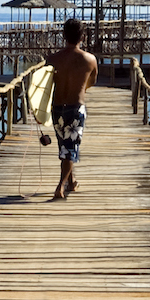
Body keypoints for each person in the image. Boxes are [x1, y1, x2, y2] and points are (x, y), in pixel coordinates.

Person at [45, 17, 98, 200]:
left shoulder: (52, 59)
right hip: (76, 108)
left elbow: (44, 87)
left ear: (63, 35)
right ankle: (60, 187)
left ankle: (71, 181)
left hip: (57, 108)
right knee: (70, 148)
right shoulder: (89, 59)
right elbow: (92, 81)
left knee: (64, 147)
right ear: (82, 37)